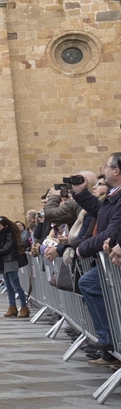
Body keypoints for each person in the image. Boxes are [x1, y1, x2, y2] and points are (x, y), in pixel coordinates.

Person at [71, 156, 121, 365]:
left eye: (107, 167)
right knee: (89, 283)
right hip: (109, 258)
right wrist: (81, 192)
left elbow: (112, 230)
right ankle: (109, 342)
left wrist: (84, 248)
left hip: (113, 258)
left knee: (90, 284)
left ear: (116, 171)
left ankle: (112, 341)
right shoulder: (113, 196)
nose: (104, 171)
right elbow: (101, 212)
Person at [0, 215, 28, 317]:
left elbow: (7, 249)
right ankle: (12, 307)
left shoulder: (10, 234)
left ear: (5, 226)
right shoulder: (2, 234)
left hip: (10, 260)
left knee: (16, 285)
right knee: (8, 286)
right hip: (4, 261)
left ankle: (24, 307)